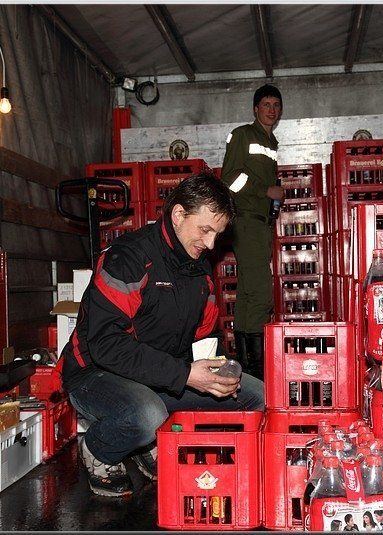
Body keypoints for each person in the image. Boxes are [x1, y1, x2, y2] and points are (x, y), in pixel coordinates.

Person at [60, 173, 265, 497]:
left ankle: (146, 442)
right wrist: (185, 375)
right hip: (96, 374)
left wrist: (220, 369)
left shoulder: (200, 269)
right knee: (146, 414)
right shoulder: (128, 258)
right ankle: (99, 449)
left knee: (254, 395)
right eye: (205, 230)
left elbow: (205, 335)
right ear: (179, 214)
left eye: (218, 234)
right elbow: (105, 345)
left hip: (161, 376)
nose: (211, 244)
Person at [221, 84, 284, 380]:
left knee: (248, 292)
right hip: (246, 220)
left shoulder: (270, 142)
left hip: (259, 222)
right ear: (255, 109)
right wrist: (265, 190)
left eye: (276, 105)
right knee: (260, 293)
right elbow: (229, 178)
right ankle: (258, 369)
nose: (272, 110)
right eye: (266, 104)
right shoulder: (243, 135)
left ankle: (246, 366)